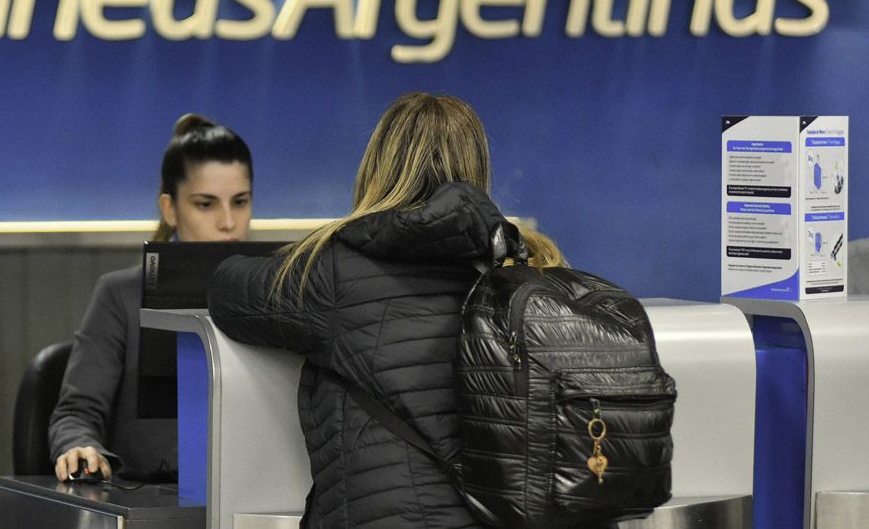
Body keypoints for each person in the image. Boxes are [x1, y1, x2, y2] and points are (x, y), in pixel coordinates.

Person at [207, 93, 563, 527]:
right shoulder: (534, 267)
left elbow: (227, 290)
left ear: (377, 170)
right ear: (478, 170)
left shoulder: (333, 271)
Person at [48, 113, 253, 482]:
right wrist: (79, 446)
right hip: (152, 498)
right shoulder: (120, 295)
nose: (228, 222)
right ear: (170, 208)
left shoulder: (279, 293)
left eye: (240, 202)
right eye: (206, 204)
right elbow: (76, 413)